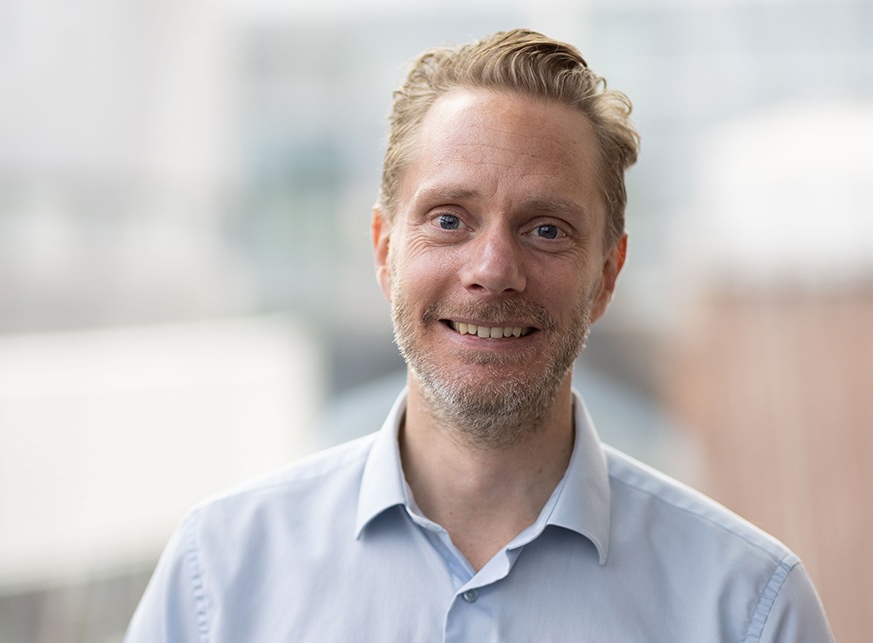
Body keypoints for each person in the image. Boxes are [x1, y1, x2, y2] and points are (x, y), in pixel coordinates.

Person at [124, 29, 833, 642]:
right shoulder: (216, 576)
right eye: (450, 219)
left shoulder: (749, 610)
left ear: (608, 275)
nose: (493, 270)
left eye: (546, 229)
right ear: (382, 250)